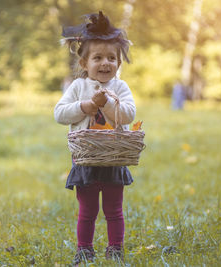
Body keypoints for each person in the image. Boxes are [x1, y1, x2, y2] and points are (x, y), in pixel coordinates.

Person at [54, 11, 136, 265]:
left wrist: (109, 104)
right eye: (98, 57)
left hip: (113, 157)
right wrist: (86, 106)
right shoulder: (78, 87)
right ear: (84, 64)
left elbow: (129, 114)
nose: (105, 63)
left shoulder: (120, 88)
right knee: (87, 211)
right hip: (86, 159)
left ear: (119, 64)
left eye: (112, 58)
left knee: (114, 210)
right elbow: (59, 113)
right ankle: (84, 249)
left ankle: (115, 249)